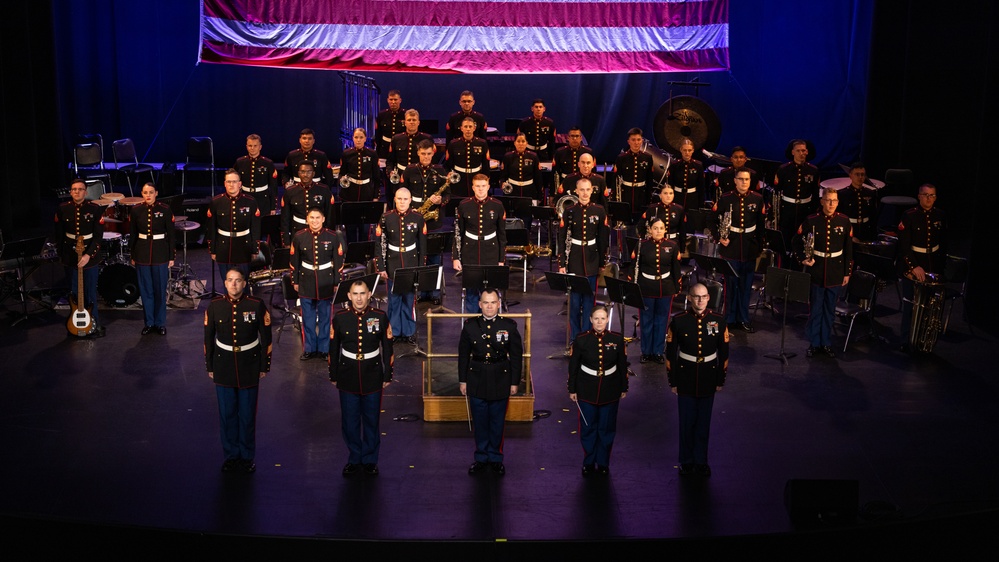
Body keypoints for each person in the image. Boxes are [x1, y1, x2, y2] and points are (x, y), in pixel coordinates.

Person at [205, 267, 272, 474]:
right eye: (230, 280)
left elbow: (266, 338)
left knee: (247, 415)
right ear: (225, 283)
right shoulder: (215, 306)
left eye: (238, 280)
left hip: (249, 365)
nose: (234, 284)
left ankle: (246, 456)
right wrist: (210, 366)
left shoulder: (256, 305)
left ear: (244, 283)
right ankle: (231, 456)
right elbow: (208, 339)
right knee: (227, 415)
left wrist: (264, 365)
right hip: (223, 365)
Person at [329, 279, 394, 476]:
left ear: (369, 295)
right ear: (349, 296)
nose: (359, 298)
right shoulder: (340, 318)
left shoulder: (380, 316)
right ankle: (355, 458)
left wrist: (388, 373)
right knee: (350, 421)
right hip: (347, 374)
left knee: (371, 420)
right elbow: (333, 348)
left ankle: (370, 460)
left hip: (372, 373)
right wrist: (333, 373)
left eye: (362, 293)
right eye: (355, 294)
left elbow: (388, 346)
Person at [666, 283, 729, 477]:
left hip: (708, 376)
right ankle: (686, 461)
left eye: (703, 297)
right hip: (685, 375)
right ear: (690, 298)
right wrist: (673, 381)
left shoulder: (718, 321)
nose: (700, 300)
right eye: (696, 297)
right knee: (686, 423)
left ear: (709, 298)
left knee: (703, 423)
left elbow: (724, 353)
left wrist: (720, 379)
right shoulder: (678, 321)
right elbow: (670, 353)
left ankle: (701, 461)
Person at [459, 288, 523, 476]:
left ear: (498, 304)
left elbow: (516, 357)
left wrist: (514, 382)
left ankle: (495, 457)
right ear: (480, 304)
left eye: (493, 302)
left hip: (500, 377)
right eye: (485, 302)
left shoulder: (509, 326)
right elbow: (463, 356)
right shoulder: (470, 325)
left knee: (497, 422)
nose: (489, 306)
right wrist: (463, 380)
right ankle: (480, 457)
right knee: (479, 422)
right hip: (477, 377)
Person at [567, 305, 628, 476]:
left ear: (607, 320)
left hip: (610, 388)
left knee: (606, 428)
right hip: (586, 388)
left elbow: (622, 366)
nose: (599, 322)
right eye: (596, 318)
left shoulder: (616, 339)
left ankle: (603, 462)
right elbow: (574, 366)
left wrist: (624, 387)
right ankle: (588, 461)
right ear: (590, 320)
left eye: (602, 318)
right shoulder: (581, 339)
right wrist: (572, 388)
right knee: (588, 427)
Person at [797, 189, 852, 358]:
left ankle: (826, 343)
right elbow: (796, 241)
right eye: (828, 200)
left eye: (834, 201)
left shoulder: (844, 221)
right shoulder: (812, 220)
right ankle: (814, 343)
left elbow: (848, 249)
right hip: (817, 270)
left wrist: (847, 273)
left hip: (836, 271)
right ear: (821, 201)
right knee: (815, 310)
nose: (830, 204)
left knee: (829, 310)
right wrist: (803, 258)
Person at [557, 178, 610, 341]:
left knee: (589, 302)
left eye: (588, 190)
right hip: (574, 258)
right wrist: (561, 263)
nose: (585, 193)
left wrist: (601, 262)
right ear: (576, 191)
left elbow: (602, 238)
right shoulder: (569, 210)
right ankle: (574, 338)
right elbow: (561, 237)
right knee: (574, 303)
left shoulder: (600, 210)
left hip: (592, 259)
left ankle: (587, 336)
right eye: (582, 190)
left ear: (592, 191)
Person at [897, 183, 947, 352]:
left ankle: (924, 342)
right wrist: (913, 267)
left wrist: (940, 270)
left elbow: (944, 244)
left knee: (930, 306)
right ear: (919, 196)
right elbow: (904, 246)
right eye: (925, 195)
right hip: (914, 264)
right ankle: (906, 341)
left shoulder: (940, 215)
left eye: (932, 195)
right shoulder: (909, 216)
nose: (929, 198)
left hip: (933, 264)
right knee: (910, 305)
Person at [290, 207, 344, 361]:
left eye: (317, 218)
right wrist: (295, 281)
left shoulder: (333, 236)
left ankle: (324, 349)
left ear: (323, 219)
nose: (314, 221)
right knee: (307, 318)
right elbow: (294, 261)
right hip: (306, 280)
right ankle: (309, 349)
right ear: (307, 219)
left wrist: (336, 281)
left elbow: (338, 261)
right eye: (311, 218)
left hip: (326, 280)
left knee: (326, 317)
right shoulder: (299, 236)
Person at [715, 168, 765, 333]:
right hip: (731, 247)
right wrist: (719, 237)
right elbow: (711, 219)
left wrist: (759, 247)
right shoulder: (725, 198)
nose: (744, 182)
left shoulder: (757, 199)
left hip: (749, 247)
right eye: (741, 179)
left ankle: (743, 318)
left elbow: (761, 225)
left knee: (746, 285)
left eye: (747, 179)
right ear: (735, 180)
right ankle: (729, 319)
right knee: (731, 285)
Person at [55, 178, 105, 336]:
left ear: (86, 191)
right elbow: (59, 235)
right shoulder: (63, 208)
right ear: (70, 192)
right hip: (70, 257)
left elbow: (98, 237)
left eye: (80, 189)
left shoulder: (95, 209)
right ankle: (75, 325)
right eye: (74, 189)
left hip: (89, 256)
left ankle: (94, 324)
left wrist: (89, 255)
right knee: (74, 293)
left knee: (90, 293)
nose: (77, 192)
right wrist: (62, 255)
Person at [376, 187, 427, 345]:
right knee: (394, 299)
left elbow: (422, 245)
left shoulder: (418, 217)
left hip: (411, 261)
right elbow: (379, 244)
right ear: (395, 200)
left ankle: (409, 332)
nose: (402, 202)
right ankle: (395, 331)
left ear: (410, 200)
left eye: (405, 199)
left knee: (409, 299)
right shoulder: (386, 217)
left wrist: (420, 267)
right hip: (393, 262)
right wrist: (381, 267)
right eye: (399, 199)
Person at [453, 174, 506, 314]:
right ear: (472, 187)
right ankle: (472, 325)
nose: (481, 189)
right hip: (469, 252)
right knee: (470, 291)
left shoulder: (497, 205)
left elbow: (502, 235)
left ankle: (489, 324)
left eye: (483, 186)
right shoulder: (464, 205)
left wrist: (501, 259)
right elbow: (458, 234)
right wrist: (456, 257)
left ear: (488, 187)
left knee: (489, 292)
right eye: (477, 186)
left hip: (491, 253)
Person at [404, 140, 449, 303]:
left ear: (433, 153)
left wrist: (440, 201)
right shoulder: (409, 170)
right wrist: (410, 209)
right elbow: (402, 192)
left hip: (433, 221)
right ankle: (420, 292)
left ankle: (435, 293)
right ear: (418, 153)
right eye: (423, 153)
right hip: (414, 216)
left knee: (434, 258)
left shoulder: (440, 170)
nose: (426, 157)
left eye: (429, 153)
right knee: (416, 257)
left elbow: (448, 194)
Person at [129, 182, 175, 335]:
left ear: (156, 193)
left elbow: (172, 235)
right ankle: (149, 323)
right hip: (142, 253)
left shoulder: (165, 209)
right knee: (146, 290)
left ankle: (160, 323)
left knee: (159, 290)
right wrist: (133, 255)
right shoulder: (136, 210)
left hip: (160, 254)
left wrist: (171, 256)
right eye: (145, 192)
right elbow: (133, 235)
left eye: (151, 192)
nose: (148, 195)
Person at [634, 217, 682, 364]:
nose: (658, 231)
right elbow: (634, 266)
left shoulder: (673, 245)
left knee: (661, 321)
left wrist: (677, 286)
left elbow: (676, 269)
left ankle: (658, 351)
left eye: (661, 228)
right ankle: (646, 352)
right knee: (646, 320)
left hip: (665, 287)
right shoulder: (642, 245)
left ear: (665, 230)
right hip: (646, 287)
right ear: (650, 230)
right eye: (655, 228)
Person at [206, 169, 261, 282]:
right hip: (223, 248)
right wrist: (213, 250)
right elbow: (211, 227)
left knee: (243, 282)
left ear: (240, 184)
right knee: (227, 283)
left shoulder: (250, 201)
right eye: (229, 182)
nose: (231, 185)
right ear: (225, 183)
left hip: (244, 247)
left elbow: (255, 227)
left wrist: (255, 249)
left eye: (234, 182)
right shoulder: (216, 202)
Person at [773, 139, 819, 251]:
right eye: (798, 151)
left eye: (803, 151)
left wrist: (814, 213)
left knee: (802, 240)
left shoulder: (813, 170)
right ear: (793, 152)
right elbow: (776, 192)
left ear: (807, 152)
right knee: (786, 239)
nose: (801, 153)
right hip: (787, 209)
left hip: (805, 210)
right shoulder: (783, 169)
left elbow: (815, 194)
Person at [338, 128, 381, 243]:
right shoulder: (346, 154)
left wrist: (376, 196)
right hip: (350, 194)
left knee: (365, 229)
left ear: (365, 138)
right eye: (356, 137)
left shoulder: (372, 154)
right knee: (350, 227)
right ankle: (351, 255)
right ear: (352, 138)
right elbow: (342, 173)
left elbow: (376, 177)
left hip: (366, 194)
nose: (358, 140)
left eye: (361, 137)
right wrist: (342, 182)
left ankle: (364, 255)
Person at [280, 161, 334, 247]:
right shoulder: (290, 191)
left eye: (309, 172)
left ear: (313, 173)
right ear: (298, 173)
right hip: (297, 231)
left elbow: (329, 216)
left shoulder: (323, 190)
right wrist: (286, 241)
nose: (305, 175)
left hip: (319, 231)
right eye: (302, 172)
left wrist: (329, 236)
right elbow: (285, 219)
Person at [386, 109, 433, 197]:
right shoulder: (396, 139)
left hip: (419, 177)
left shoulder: (426, 139)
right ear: (405, 122)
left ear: (418, 122)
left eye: (414, 120)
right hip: (400, 176)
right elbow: (390, 160)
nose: (412, 122)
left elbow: (432, 160)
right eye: (409, 120)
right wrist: (391, 172)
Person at [613, 128, 654, 222]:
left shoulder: (647, 157)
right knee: (626, 220)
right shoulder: (621, 158)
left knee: (640, 221)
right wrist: (615, 198)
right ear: (629, 142)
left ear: (642, 141)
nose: (636, 142)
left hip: (641, 195)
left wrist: (649, 198)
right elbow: (615, 179)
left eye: (639, 140)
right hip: (626, 194)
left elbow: (649, 179)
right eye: (633, 140)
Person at [445, 116, 490, 199]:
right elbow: (447, 165)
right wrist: (448, 174)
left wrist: (486, 180)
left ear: (474, 128)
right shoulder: (454, 144)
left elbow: (486, 164)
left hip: (476, 178)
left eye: (470, 127)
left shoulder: (482, 143)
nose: (468, 129)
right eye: (465, 127)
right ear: (461, 128)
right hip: (459, 180)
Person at [234, 134, 278, 216]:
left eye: (255, 145)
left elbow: (273, 186)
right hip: (245, 197)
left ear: (260, 147)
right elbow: (234, 180)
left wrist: (273, 207)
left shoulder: (268, 163)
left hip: (263, 199)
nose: (252, 148)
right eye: (250, 145)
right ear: (246, 146)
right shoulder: (240, 162)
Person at [836, 162, 879, 243]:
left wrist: (874, 235)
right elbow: (839, 218)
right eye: (857, 174)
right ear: (850, 175)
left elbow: (873, 216)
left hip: (866, 230)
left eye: (862, 174)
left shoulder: (870, 193)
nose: (860, 177)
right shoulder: (842, 194)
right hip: (850, 229)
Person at [500, 132, 543, 202]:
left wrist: (539, 195)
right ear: (514, 143)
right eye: (518, 141)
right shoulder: (508, 156)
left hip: (529, 191)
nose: (521, 144)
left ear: (527, 143)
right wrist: (502, 184)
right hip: (512, 191)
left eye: (523, 141)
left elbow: (538, 178)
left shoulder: (533, 157)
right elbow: (503, 176)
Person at [666, 138, 705, 211]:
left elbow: (701, 187)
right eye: (685, 150)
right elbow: (670, 184)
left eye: (689, 150)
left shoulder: (698, 166)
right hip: (677, 198)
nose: (687, 152)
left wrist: (701, 204)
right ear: (681, 150)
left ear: (693, 150)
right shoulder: (674, 165)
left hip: (693, 199)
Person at [375, 89, 405, 160]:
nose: (393, 102)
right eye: (391, 100)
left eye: (395, 99)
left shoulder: (405, 114)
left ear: (400, 100)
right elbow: (378, 134)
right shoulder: (382, 115)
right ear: (387, 100)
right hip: (385, 148)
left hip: (400, 147)